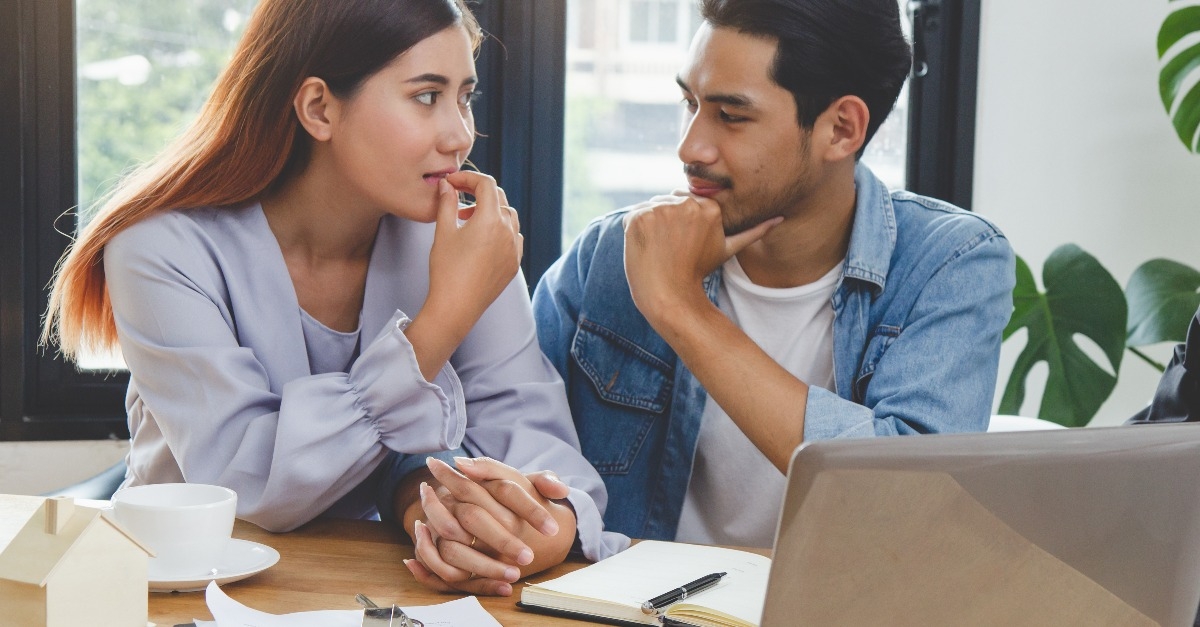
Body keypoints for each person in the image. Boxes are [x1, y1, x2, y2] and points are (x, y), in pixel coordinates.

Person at [41, 0, 623, 597]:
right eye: (426, 96)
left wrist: (548, 528)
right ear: (319, 107)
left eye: (464, 97)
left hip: (380, 590)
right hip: (180, 592)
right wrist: (444, 318)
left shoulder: (457, 244)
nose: (460, 134)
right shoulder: (161, 248)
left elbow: (541, 448)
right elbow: (250, 483)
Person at [533, 0, 1016, 548]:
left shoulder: (952, 264)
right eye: (689, 102)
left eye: (731, 116)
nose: (690, 146)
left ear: (841, 128)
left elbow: (905, 503)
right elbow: (499, 433)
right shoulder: (611, 254)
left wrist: (681, 308)